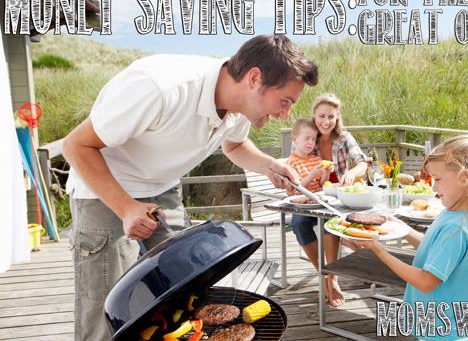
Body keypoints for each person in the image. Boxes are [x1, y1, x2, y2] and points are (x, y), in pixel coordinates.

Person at [62, 35, 318, 341]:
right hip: (105, 191)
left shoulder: (238, 104)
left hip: (163, 190)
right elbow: (75, 146)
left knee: (183, 290)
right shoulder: (158, 87)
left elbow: (234, 146)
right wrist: (125, 207)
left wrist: (268, 165)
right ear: (254, 78)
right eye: (285, 101)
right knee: (108, 309)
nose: (285, 114)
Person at [356, 135, 468, 340]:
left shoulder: (457, 228)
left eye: (438, 179)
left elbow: (426, 282)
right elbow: (433, 248)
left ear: (466, 178)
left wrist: (380, 251)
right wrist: (403, 228)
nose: (433, 187)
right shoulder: (455, 214)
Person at [290, 93, 368, 307]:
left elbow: (362, 162)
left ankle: (333, 278)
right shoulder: (307, 137)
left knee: (329, 224)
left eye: (331, 117)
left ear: (337, 117)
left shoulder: (344, 138)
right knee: (297, 223)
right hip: (313, 200)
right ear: (314, 115)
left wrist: (353, 173)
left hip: (339, 199)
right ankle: (324, 274)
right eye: (321, 116)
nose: (326, 122)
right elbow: (295, 172)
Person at [286, 118, 333, 192]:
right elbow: (295, 188)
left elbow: (322, 184)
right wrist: (312, 175)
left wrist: (327, 172)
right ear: (294, 140)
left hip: (319, 196)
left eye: (313, 139)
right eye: (307, 138)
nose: (311, 142)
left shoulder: (316, 159)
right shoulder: (291, 163)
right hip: (301, 199)